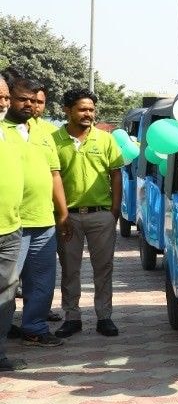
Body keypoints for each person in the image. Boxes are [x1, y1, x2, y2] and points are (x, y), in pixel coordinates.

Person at [52, 89, 125, 339]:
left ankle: (104, 316)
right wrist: (61, 215)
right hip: (67, 217)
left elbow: (116, 174)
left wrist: (114, 211)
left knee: (103, 268)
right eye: (83, 109)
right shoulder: (54, 140)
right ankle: (72, 317)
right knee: (69, 268)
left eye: (91, 110)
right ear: (67, 110)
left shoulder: (105, 140)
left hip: (101, 215)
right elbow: (53, 178)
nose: (88, 114)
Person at [1, 79, 68, 347]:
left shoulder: (45, 132)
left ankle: (34, 328)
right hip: (12, 224)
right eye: (21, 99)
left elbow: (55, 175)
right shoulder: (3, 130)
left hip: (44, 221)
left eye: (33, 99)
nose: (28, 104)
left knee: (41, 281)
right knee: (6, 286)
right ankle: (5, 334)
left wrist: (62, 214)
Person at [0, 77, 29, 373]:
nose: (4, 102)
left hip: (10, 229)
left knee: (6, 295)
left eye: (6, 96)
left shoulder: (11, 134)